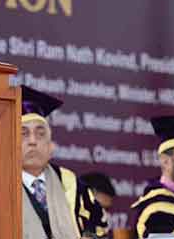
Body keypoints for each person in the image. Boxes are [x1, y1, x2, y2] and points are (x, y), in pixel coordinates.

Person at [21, 85, 108, 239]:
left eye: (40, 134)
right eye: (24, 134)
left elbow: (99, 226)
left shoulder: (72, 183)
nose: (32, 141)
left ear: (50, 146)